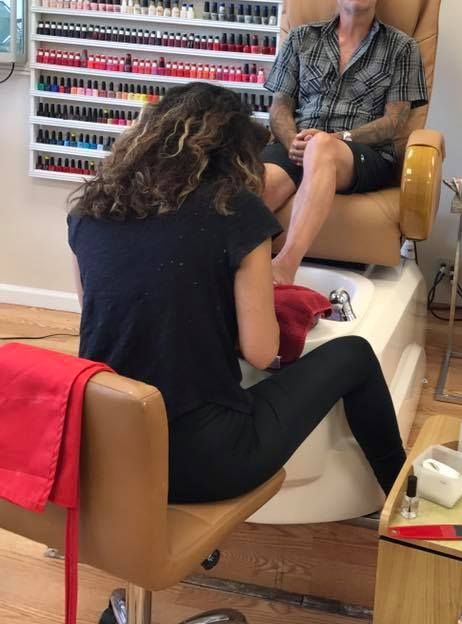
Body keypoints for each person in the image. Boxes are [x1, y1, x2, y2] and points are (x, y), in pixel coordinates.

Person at [67, 82, 406, 503]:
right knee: (353, 354)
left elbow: (101, 312)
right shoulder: (237, 213)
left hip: (105, 454)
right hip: (203, 464)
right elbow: (262, 352)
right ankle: (403, 500)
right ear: (236, 153)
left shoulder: (89, 211)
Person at [262, 0, 428, 284]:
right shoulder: (300, 39)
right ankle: (233, 270)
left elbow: (395, 123)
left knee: (322, 148)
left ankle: (284, 267)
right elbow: (279, 106)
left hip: (362, 154)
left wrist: (336, 139)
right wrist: (293, 140)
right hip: (299, 143)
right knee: (258, 183)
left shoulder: (402, 48)